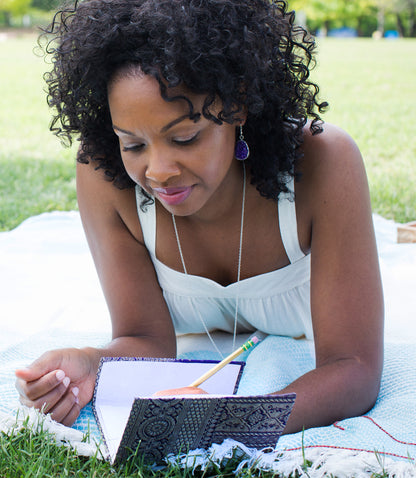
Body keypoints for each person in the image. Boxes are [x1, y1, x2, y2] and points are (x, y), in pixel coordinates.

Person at [15, 0, 383, 433]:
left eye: (185, 137)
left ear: (238, 104)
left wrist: (234, 421)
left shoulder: (323, 164)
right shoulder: (104, 176)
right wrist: (93, 363)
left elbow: (353, 367)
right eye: (132, 144)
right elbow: (146, 340)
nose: (158, 171)